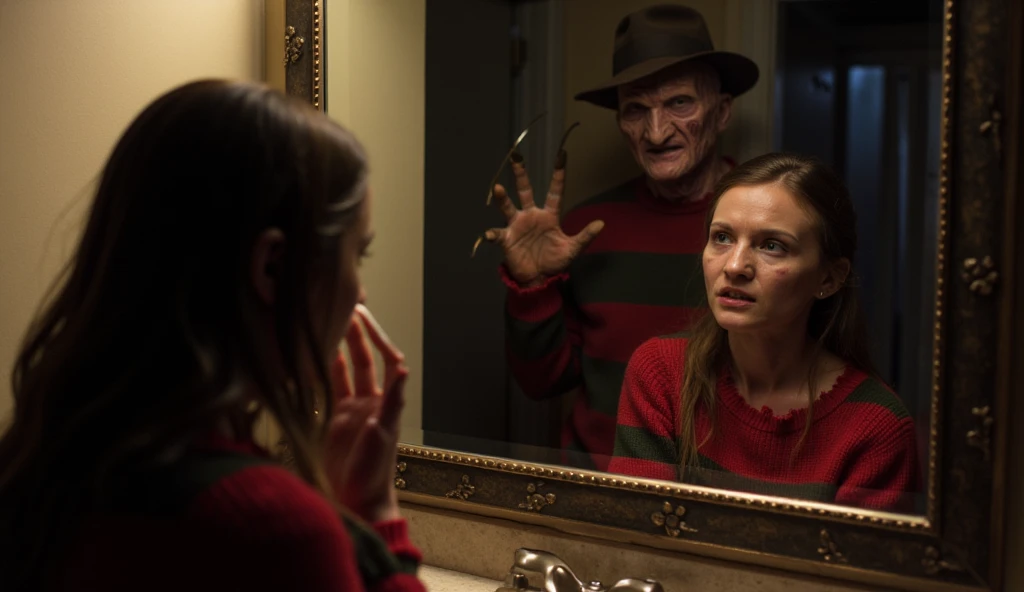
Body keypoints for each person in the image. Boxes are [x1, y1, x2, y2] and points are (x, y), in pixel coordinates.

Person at [0, 80, 426, 591]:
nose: (360, 295)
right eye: (359, 254)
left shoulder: (40, 464)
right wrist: (375, 511)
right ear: (274, 267)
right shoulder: (268, 530)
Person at [485, 4, 759, 470]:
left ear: (722, 112)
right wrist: (532, 288)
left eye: (679, 103)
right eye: (636, 109)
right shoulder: (587, 229)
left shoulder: (764, 229)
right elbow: (542, 383)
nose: (655, 132)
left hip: (725, 504)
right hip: (601, 490)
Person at [607, 153, 920, 512]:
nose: (735, 266)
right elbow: (635, 540)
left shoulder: (876, 425)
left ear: (829, 278)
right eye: (722, 237)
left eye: (772, 246)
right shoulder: (662, 373)